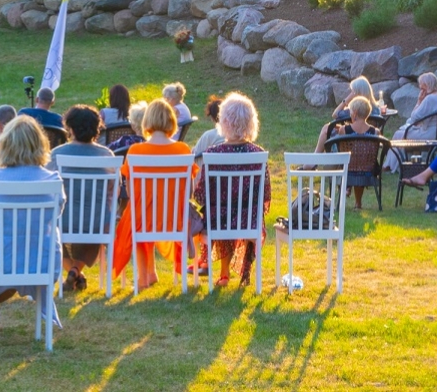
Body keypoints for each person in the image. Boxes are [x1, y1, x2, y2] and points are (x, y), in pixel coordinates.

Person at [0, 116, 65, 332]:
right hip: (40, 260)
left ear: (5, 145)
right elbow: (57, 212)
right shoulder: (52, 180)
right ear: (40, 145)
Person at [191, 94, 271, 286]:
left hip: (218, 220)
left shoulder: (212, 154)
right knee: (239, 214)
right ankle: (237, 274)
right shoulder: (258, 154)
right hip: (248, 220)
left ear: (224, 121)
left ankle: (223, 273)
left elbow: (200, 196)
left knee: (218, 214)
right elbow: (265, 195)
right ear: (251, 122)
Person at [112, 99, 193, 290]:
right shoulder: (183, 150)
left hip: (144, 219)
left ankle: (144, 276)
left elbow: (131, 193)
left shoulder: (135, 151)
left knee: (138, 214)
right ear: (171, 121)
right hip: (174, 218)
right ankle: (151, 273)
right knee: (143, 213)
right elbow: (188, 191)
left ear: (147, 121)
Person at [49, 105, 114, 293]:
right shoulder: (106, 155)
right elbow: (112, 189)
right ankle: (76, 271)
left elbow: (48, 185)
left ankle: (72, 270)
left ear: (70, 128)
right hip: (97, 221)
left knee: (49, 230)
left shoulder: (57, 154)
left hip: (63, 219)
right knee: (101, 220)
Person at [317, 97, 382, 209]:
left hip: (347, 168)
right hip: (368, 170)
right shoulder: (375, 131)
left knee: (346, 161)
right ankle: (358, 203)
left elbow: (341, 145)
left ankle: (338, 196)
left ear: (355, 113)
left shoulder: (344, 130)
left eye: (350, 111)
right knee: (360, 161)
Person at [397, 74, 437, 142]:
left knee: (398, 134)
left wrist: (419, 101)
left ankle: (398, 153)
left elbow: (414, 118)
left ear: (426, 85)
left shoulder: (430, 98)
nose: (420, 89)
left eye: (421, 88)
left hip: (432, 134)